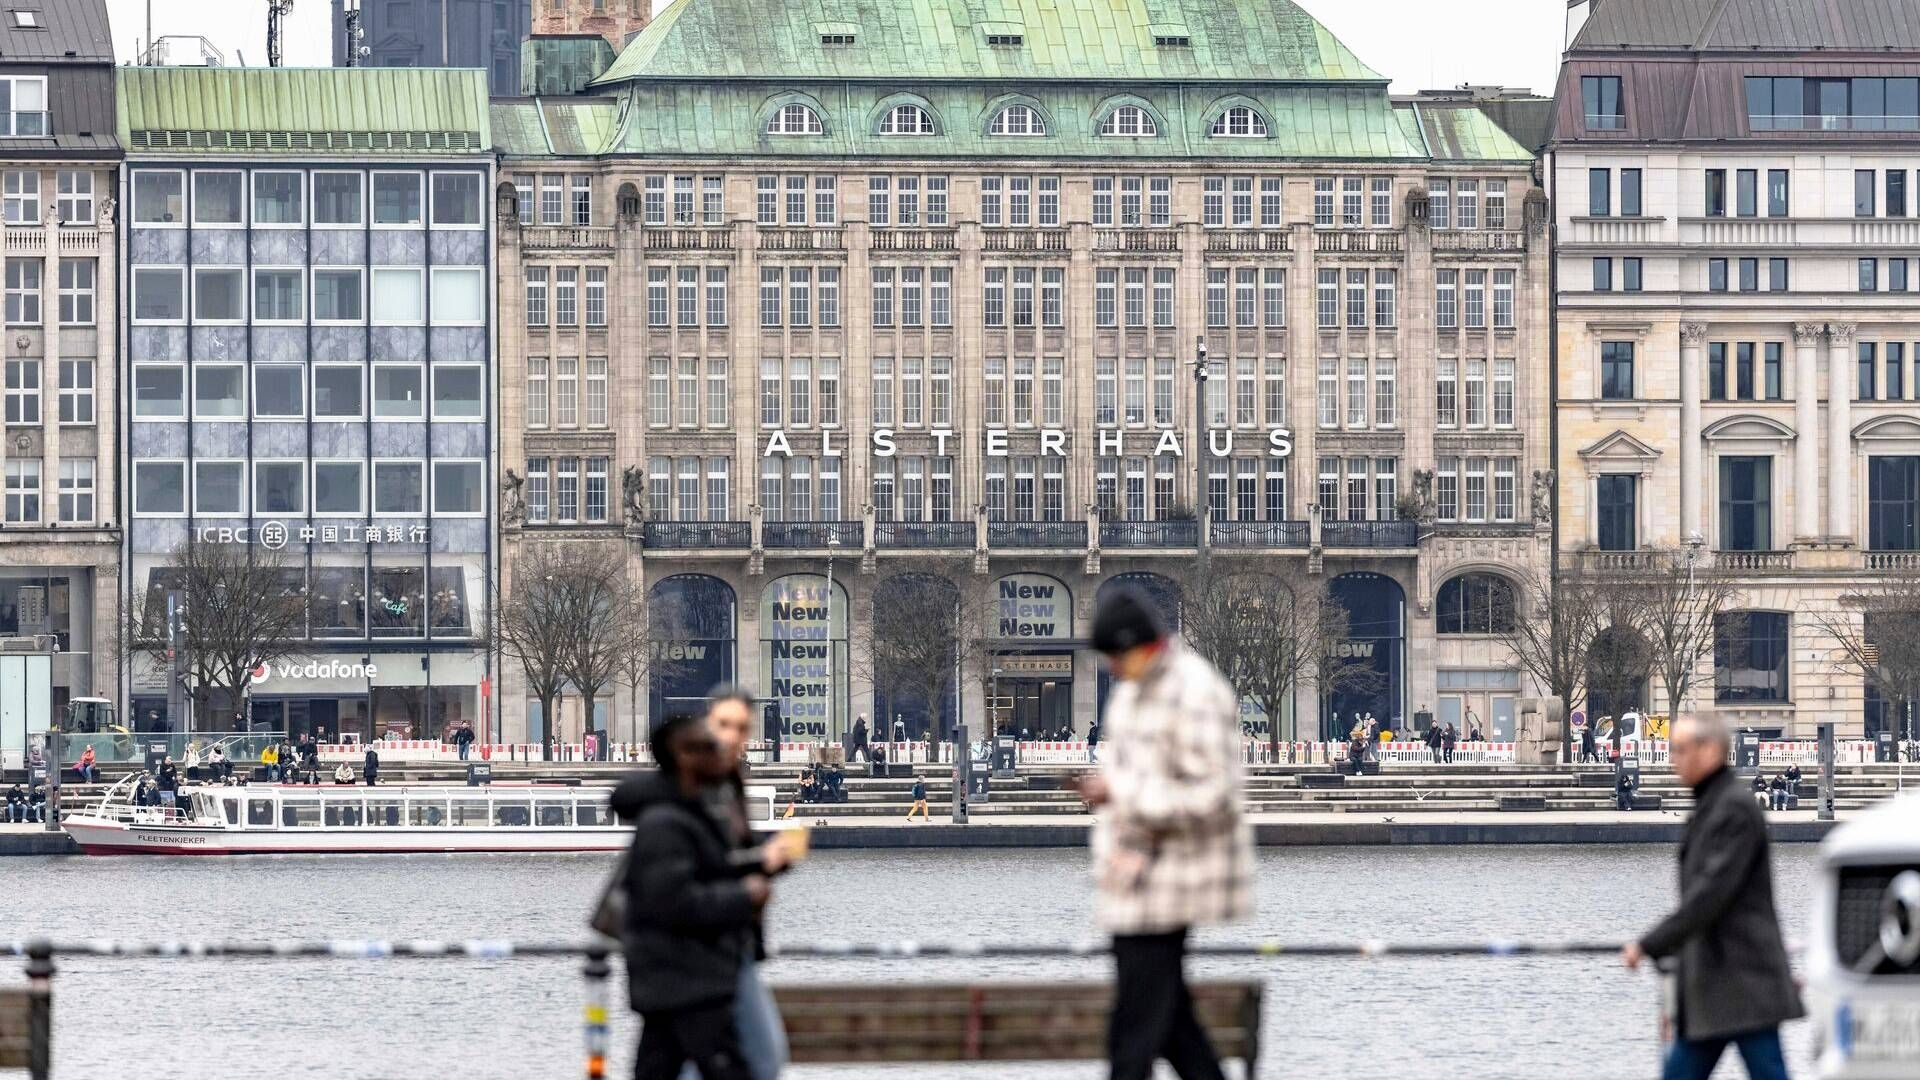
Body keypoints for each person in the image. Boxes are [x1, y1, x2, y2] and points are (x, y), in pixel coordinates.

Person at [1070, 588, 1251, 1080]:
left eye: (1114, 654)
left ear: (1140, 646)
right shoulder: (1133, 690)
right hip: (1134, 877)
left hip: (1172, 881)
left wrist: (1120, 792)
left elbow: (1215, 794)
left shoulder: (1194, 692)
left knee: (1132, 1033)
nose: (1109, 667)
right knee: (1170, 1025)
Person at [1623, 713, 1801, 1080]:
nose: (1674, 759)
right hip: (1721, 980)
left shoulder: (1732, 807)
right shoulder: (1715, 804)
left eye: (1681, 750)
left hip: (1742, 978)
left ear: (1711, 751)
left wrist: (1650, 943)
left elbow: (1710, 894)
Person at [612, 712, 774, 1080]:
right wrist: (744, 895)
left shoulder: (685, 812)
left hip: (678, 980)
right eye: (707, 746)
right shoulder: (666, 824)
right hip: (689, 981)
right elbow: (674, 902)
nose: (719, 753)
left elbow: (694, 879)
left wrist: (754, 869)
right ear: (684, 755)